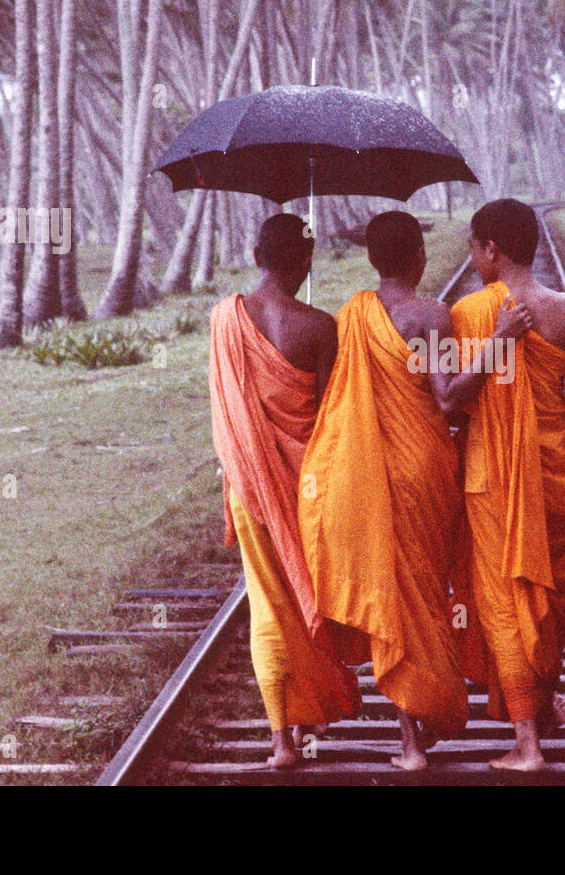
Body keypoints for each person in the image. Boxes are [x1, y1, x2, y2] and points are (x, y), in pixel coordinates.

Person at [299, 210, 533, 770]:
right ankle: (430, 713)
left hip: (369, 474)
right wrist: (501, 340)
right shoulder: (430, 317)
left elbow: (338, 404)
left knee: (390, 596)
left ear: (375, 261)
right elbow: (450, 398)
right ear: (419, 258)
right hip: (425, 470)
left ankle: (410, 742)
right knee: (427, 593)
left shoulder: (350, 316)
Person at [450, 198, 565, 772]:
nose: (473, 257)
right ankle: (539, 703)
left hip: (491, 479)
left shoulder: (469, 313)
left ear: (490, 247)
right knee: (547, 596)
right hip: (555, 469)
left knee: (504, 600)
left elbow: (454, 403)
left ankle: (526, 743)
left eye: (474, 246)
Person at [208, 213, 359, 769]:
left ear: (255, 256)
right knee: (311, 590)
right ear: (307, 262)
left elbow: (228, 416)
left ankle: (283, 741)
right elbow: (330, 416)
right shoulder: (321, 327)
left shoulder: (224, 319)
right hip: (310, 486)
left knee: (269, 604)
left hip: (250, 483)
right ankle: (316, 698)